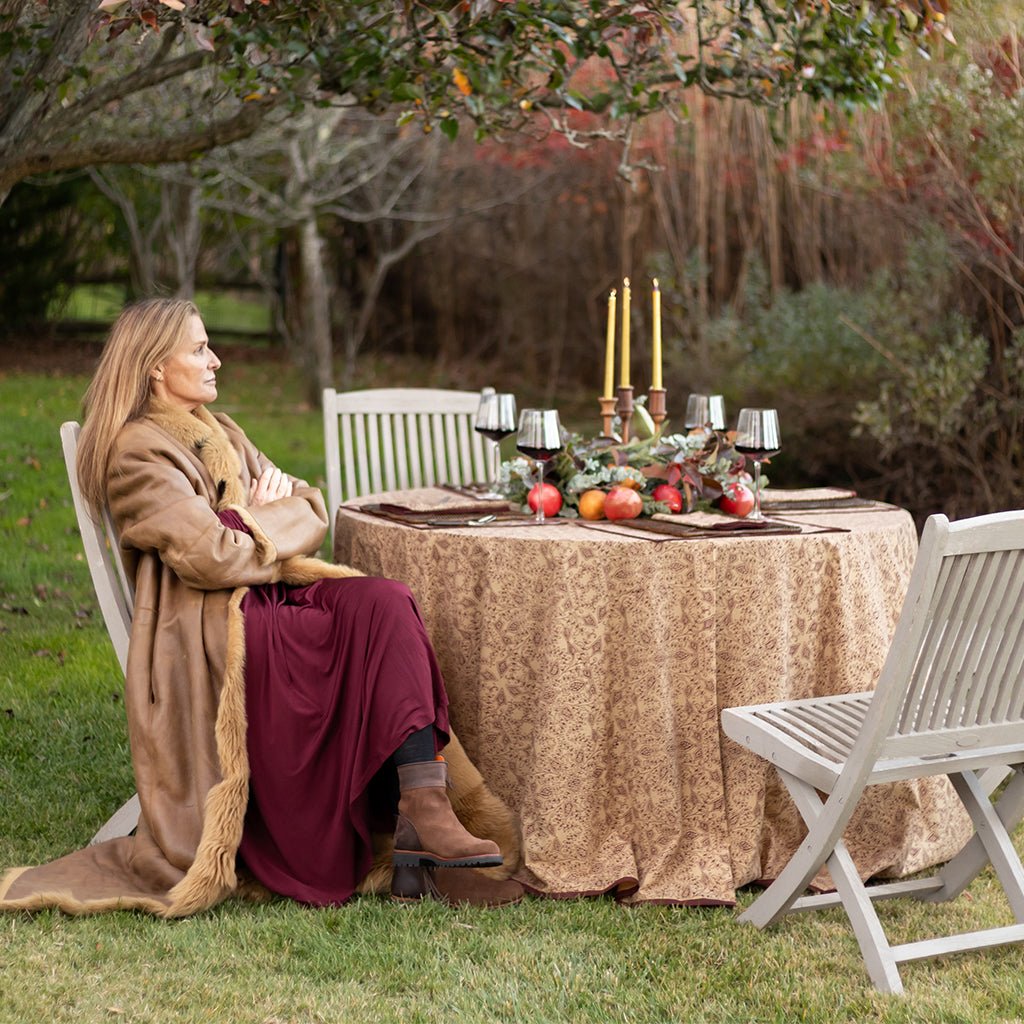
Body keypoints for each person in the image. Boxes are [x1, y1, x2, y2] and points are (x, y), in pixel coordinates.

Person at [0, 298, 522, 916]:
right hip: (212, 626)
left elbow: (312, 506)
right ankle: (401, 827)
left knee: (385, 600)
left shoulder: (219, 432)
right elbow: (212, 557)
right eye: (198, 349)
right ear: (153, 368)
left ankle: (424, 807)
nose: (215, 358)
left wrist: (248, 522)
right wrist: (261, 516)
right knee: (358, 624)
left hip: (264, 594)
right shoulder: (137, 452)